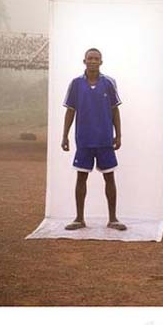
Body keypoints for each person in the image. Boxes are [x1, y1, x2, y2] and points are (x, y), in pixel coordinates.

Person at [61, 47, 126, 231]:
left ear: (101, 62)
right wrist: (64, 135)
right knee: (81, 178)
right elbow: (70, 111)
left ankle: (113, 219)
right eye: (90, 58)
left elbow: (115, 110)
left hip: (105, 139)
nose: (93, 61)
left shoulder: (109, 83)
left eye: (96, 59)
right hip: (84, 139)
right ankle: (79, 219)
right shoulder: (76, 84)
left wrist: (118, 135)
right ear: (84, 61)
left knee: (109, 178)